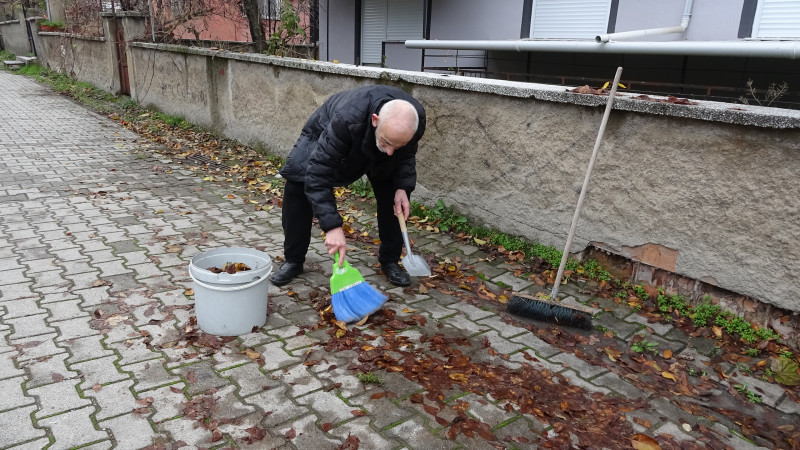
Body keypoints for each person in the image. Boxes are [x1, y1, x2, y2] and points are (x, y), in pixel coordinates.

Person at [269, 84, 426, 288]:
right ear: (375, 120)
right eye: (386, 142)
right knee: (297, 187)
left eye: (397, 145)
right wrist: (332, 226)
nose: (389, 152)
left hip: (377, 134)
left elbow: (406, 154)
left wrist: (402, 187)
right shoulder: (347, 118)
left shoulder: (414, 120)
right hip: (325, 131)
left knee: (393, 200)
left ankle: (390, 260)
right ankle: (294, 260)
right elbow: (319, 171)